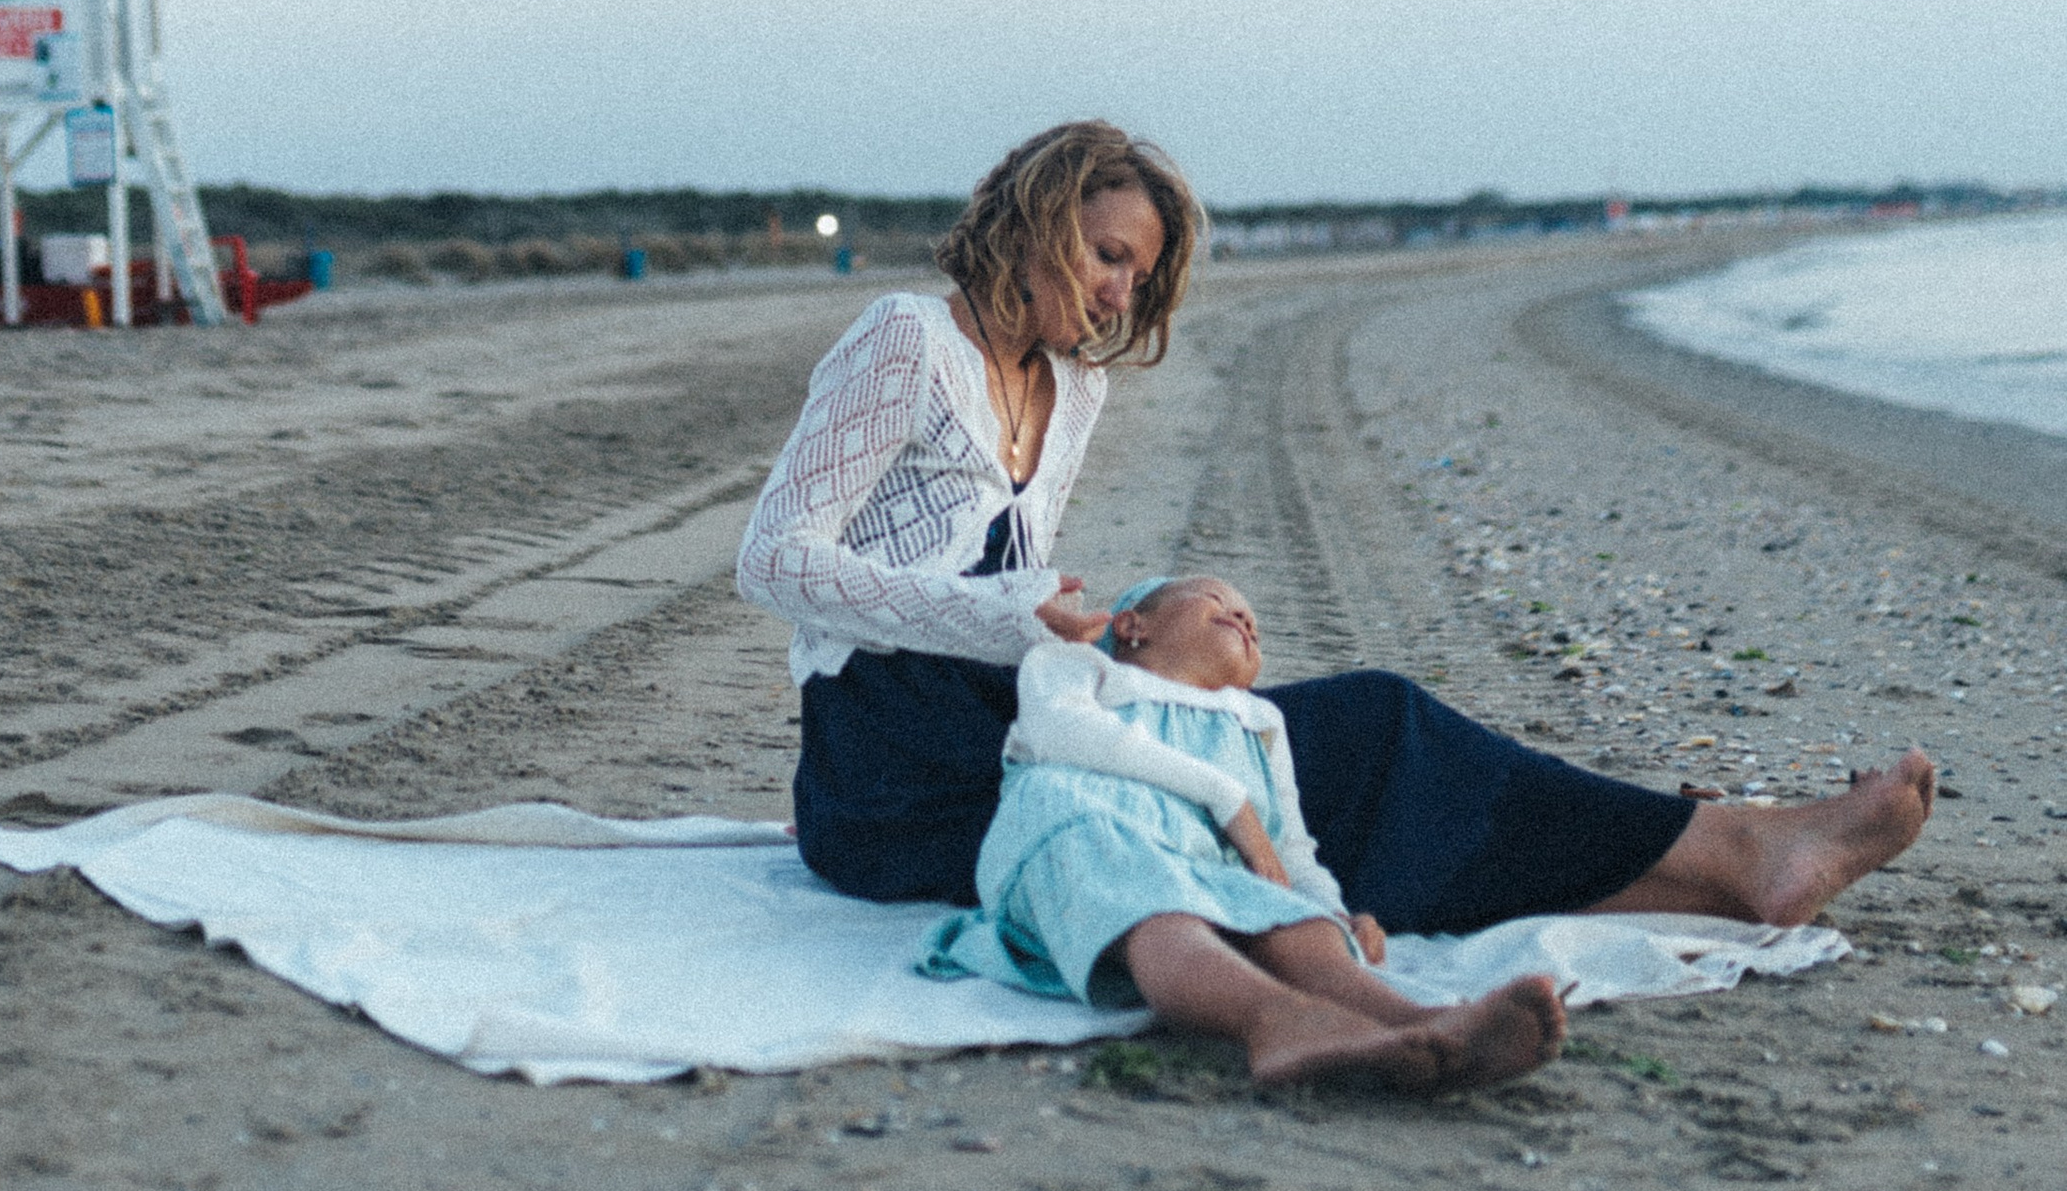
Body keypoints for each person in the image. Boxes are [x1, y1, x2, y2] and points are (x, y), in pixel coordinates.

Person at [735, 118, 1935, 932]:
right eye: (1104, 256)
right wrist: (1005, 617)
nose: (1118, 293)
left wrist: (1073, 637)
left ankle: (1726, 868)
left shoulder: (1073, 386)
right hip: (892, 772)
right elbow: (773, 562)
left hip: (1006, 723)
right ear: (1034, 220)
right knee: (1371, 724)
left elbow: (1006, 593)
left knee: (1295, 761)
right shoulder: (906, 341)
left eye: (1137, 275)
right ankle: (1736, 850)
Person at [921, 578, 1565, 1095]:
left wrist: (1332, 908)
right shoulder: (1078, 667)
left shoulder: (1257, 720)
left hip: (1207, 862)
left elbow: (1287, 845)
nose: (1244, 620)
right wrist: (1226, 797)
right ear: (1133, 625)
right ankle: (1278, 1021)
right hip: (1077, 826)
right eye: (1217, 601)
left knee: (1293, 923)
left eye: (1253, 624)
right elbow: (1061, 733)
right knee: (1158, 910)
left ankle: (1421, 1023)